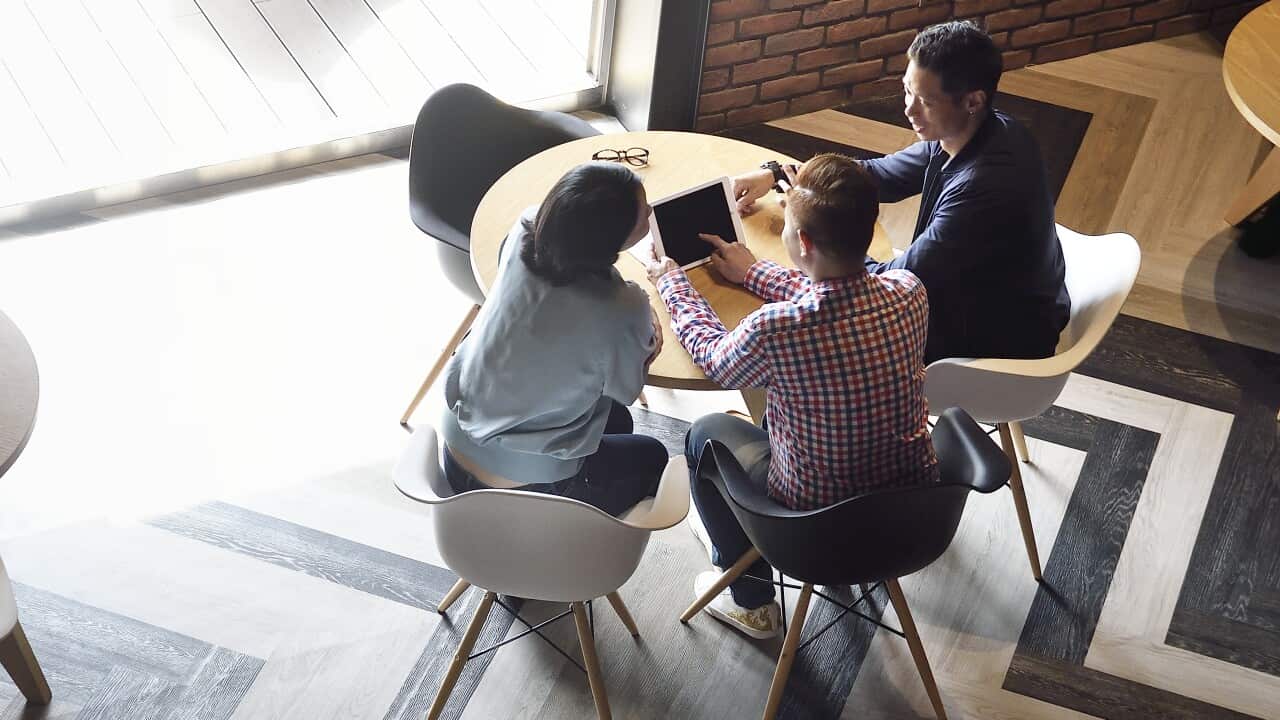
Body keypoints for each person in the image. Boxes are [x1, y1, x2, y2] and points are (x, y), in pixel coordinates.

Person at [646, 154, 938, 638]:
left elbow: (714, 357)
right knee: (784, 411)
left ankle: (751, 601)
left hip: (811, 527)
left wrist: (671, 282)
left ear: (802, 242)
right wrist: (754, 273)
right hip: (912, 512)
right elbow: (841, 293)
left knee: (705, 435)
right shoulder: (909, 291)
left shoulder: (777, 330)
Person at [733, 21, 1070, 363]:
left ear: (972, 101)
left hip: (994, 340)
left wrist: (765, 270)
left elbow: (886, 289)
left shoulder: (982, 190)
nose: (908, 109)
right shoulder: (976, 131)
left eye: (926, 101)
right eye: (908, 90)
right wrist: (778, 174)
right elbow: (878, 175)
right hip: (985, 293)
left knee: (807, 342)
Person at [439, 162, 668, 517]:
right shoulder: (619, 307)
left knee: (617, 421)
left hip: (457, 436)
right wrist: (648, 336)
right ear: (611, 237)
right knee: (654, 456)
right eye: (641, 213)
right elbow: (626, 388)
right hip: (521, 489)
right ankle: (574, 530)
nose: (650, 211)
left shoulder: (525, 227)